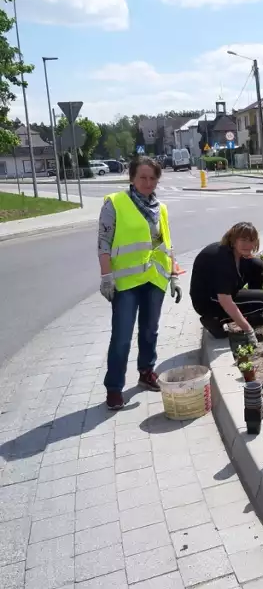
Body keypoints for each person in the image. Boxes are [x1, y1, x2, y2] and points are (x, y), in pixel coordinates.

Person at [98, 156, 182, 411]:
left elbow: (166, 244)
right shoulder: (115, 203)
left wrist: (174, 276)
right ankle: (114, 388)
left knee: (149, 331)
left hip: (154, 279)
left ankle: (146, 372)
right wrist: (106, 277)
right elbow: (103, 243)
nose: (148, 182)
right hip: (125, 283)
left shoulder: (160, 207)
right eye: (143, 177)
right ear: (132, 178)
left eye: (153, 178)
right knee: (122, 336)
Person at [190, 222, 263, 343]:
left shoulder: (236, 252)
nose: (248, 245)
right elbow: (225, 300)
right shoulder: (223, 260)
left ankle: (254, 317)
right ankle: (215, 320)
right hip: (207, 302)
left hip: (217, 293)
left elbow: (261, 266)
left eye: (252, 240)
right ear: (233, 240)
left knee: (255, 265)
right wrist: (248, 330)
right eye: (243, 240)